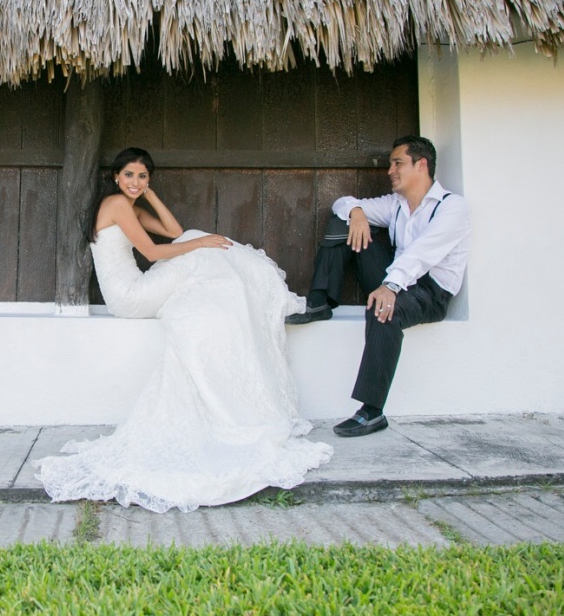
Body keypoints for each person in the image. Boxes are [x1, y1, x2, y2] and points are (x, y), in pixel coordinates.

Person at [34, 147, 332, 513]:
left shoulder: (130, 205)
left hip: (136, 288)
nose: (135, 182)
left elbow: (172, 231)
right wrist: (203, 241)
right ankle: (277, 301)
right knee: (203, 248)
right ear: (115, 177)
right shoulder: (114, 205)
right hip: (130, 295)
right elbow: (155, 252)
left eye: (143, 177)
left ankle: (260, 303)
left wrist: (150, 197)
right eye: (129, 175)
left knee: (196, 246)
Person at [286, 135, 470, 437]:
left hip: (430, 292)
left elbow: (421, 254)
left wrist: (391, 286)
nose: (390, 170)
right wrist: (356, 213)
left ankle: (371, 412)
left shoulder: (452, 208)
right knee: (342, 221)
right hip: (395, 280)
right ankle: (319, 302)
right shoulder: (395, 205)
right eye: (390, 164)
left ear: (421, 165)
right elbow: (342, 203)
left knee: (384, 309)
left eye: (398, 163)